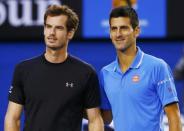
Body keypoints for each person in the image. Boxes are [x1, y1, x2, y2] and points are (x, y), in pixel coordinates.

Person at [4, 5, 104, 131]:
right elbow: (12, 118)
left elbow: (95, 120)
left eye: (58, 28)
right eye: (48, 26)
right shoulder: (23, 70)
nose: (51, 33)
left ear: (70, 33)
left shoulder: (86, 73)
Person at [100, 6, 182, 131]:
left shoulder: (158, 67)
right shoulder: (105, 73)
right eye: (114, 29)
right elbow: (106, 118)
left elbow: (173, 116)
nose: (118, 34)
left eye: (124, 28)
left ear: (136, 31)